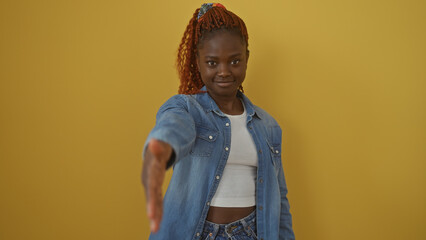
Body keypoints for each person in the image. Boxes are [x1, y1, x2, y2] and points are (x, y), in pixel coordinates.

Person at [141, 3, 295, 240]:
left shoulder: (268, 126)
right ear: (199, 61)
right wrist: (162, 149)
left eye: (234, 61)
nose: (224, 71)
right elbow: (173, 126)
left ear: (247, 58)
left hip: (251, 232)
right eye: (212, 63)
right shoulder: (186, 108)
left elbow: (280, 200)